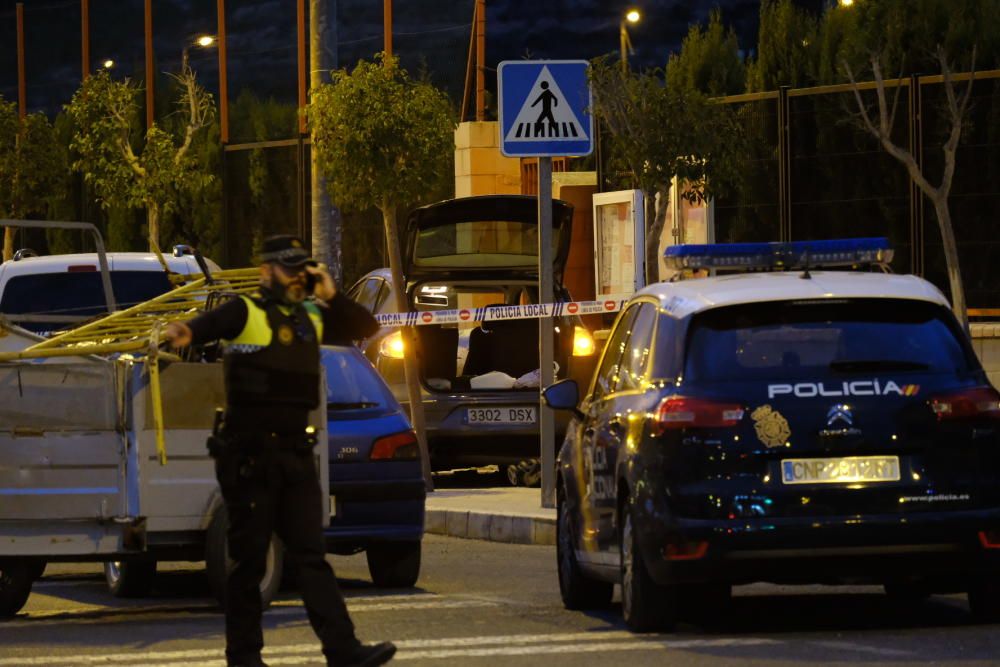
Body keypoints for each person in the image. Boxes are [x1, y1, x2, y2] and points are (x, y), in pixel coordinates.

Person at [164, 235, 395, 667]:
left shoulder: (310, 316)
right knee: (249, 564)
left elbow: (365, 327)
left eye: (301, 269)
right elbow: (206, 326)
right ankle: (244, 658)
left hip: (295, 457)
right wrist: (183, 332)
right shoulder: (246, 311)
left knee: (311, 559)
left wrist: (328, 292)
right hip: (250, 458)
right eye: (290, 269)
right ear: (267, 271)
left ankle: (344, 652)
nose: (296, 277)